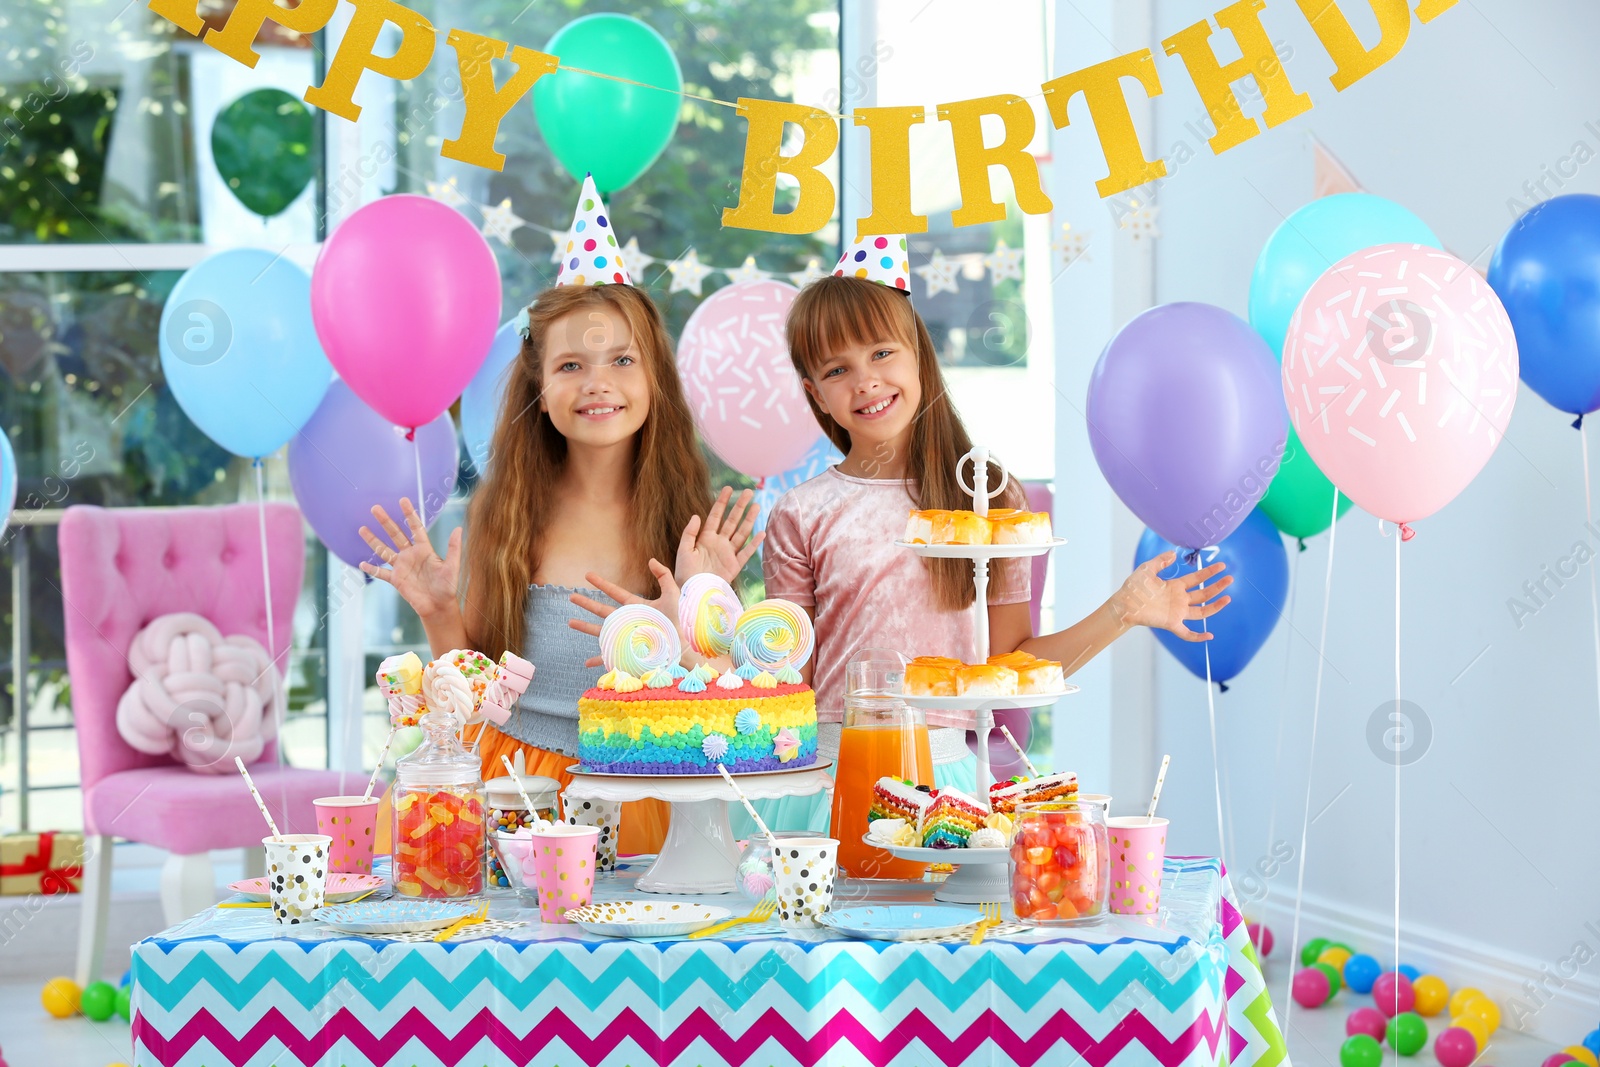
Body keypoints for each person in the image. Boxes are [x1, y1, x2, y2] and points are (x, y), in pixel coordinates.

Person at [763, 235, 1233, 812]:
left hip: (947, 784)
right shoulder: (799, 513)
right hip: (830, 777)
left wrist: (1125, 611)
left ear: (918, 355)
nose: (865, 381)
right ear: (815, 395)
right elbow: (785, 684)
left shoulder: (984, 500)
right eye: (838, 369)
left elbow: (1014, 666)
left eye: (882, 353)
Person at [360, 177, 761, 854]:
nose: (597, 382)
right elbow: (475, 689)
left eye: (622, 360)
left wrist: (687, 626)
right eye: (571, 364)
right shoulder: (507, 515)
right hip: (518, 789)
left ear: (654, 380)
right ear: (541, 392)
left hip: (644, 788)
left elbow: (724, 709)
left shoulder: (692, 527)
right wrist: (437, 611)